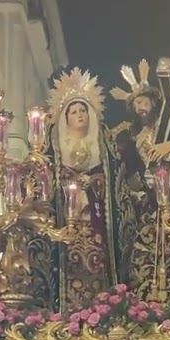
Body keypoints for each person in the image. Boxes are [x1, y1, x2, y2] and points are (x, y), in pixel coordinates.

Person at [110, 59, 170, 303]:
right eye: (136, 103)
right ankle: (144, 300)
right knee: (144, 252)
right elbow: (128, 169)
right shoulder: (132, 137)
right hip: (148, 204)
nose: (141, 107)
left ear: (154, 101)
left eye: (143, 101)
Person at [45, 67, 123, 308]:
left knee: (98, 266)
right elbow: (46, 184)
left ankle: (99, 310)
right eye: (74, 112)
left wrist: (94, 183)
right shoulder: (55, 150)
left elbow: (115, 187)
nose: (79, 115)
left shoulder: (103, 149)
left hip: (95, 223)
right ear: (65, 118)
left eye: (83, 111)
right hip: (66, 225)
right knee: (70, 264)